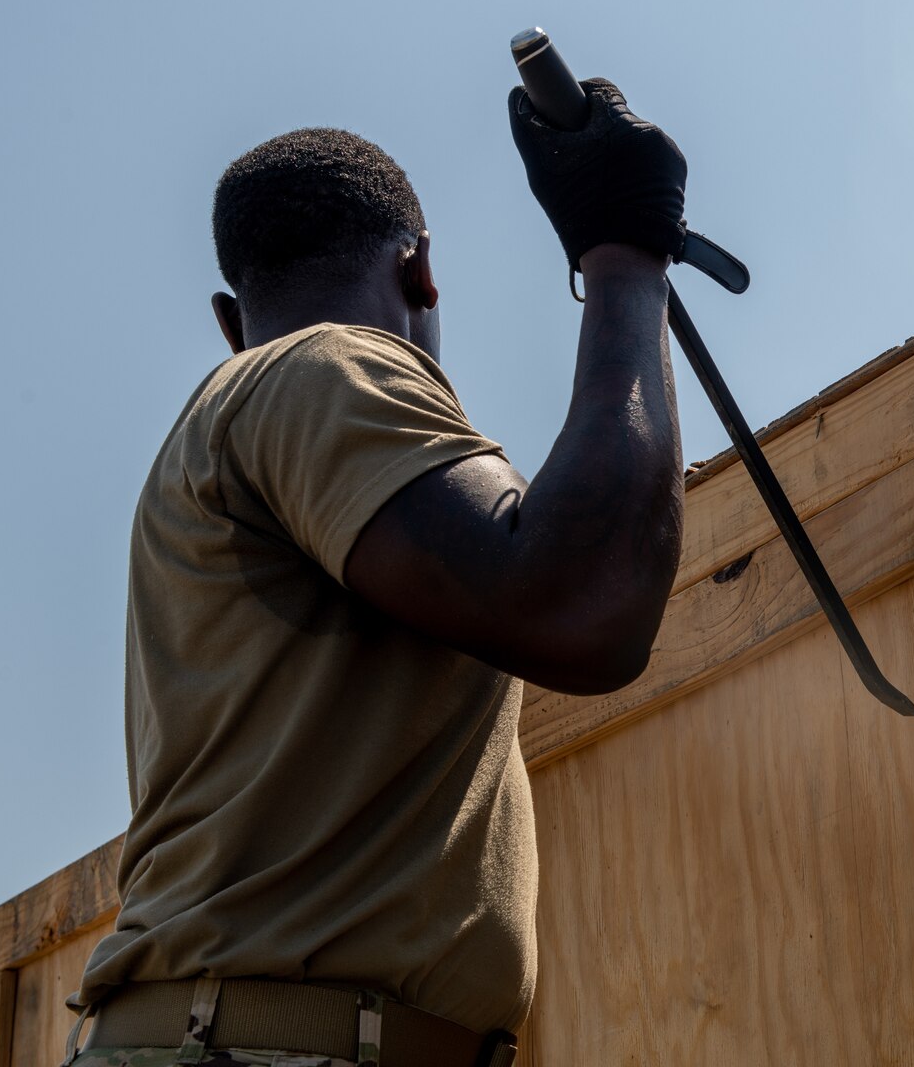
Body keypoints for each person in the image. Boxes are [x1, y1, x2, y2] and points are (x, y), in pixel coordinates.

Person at [62, 79, 689, 1067]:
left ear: (231, 315)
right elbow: (582, 602)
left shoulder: (243, 417)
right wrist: (625, 253)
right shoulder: (329, 366)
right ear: (421, 271)